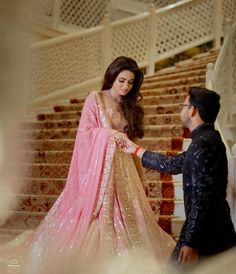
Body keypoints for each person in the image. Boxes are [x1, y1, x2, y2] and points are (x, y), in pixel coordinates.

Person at [0, 56, 175, 274]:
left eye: (130, 82)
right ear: (112, 77)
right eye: (121, 80)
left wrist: (142, 176)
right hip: (98, 170)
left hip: (124, 170)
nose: (125, 86)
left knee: (131, 221)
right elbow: (86, 134)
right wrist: (109, 134)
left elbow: (133, 143)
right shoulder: (96, 99)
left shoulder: (131, 106)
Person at [117, 87, 236, 271]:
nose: (181, 110)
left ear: (193, 110)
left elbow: (202, 197)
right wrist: (135, 149)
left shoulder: (202, 145)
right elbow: (173, 164)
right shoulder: (206, 139)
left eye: (184, 105)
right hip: (209, 230)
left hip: (207, 235)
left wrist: (192, 242)